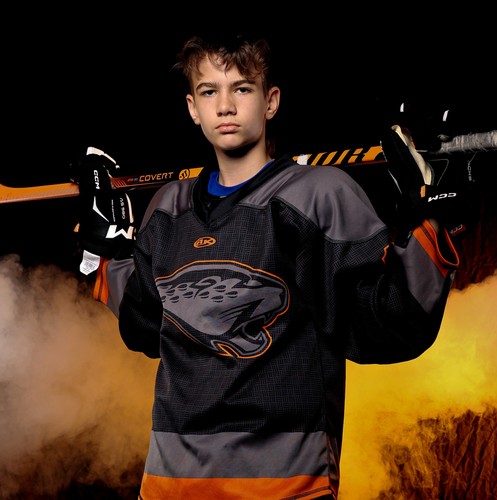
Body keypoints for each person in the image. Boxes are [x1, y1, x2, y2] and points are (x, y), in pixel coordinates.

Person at [72, 32, 459, 499]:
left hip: (283, 485)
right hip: (169, 484)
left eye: (242, 88)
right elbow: (147, 327)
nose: (225, 106)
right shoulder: (168, 208)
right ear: (192, 108)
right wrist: (104, 255)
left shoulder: (318, 196)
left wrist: (429, 221)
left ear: (270, 101)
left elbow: (389, 323)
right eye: (209, 91)